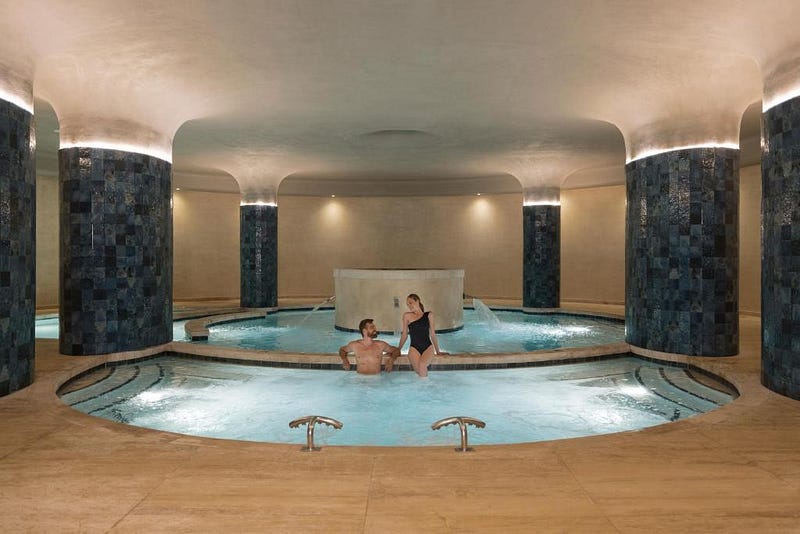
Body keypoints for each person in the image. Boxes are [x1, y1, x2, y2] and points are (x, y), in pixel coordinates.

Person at [397, 293, 447, 377]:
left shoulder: (429, 315)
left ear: (417, 301)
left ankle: (425, 384)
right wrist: (398, 349)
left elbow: (432, 334)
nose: (409, 306)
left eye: (410, 303)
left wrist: (437, 351)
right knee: (419, 372)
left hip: (427, 347)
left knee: (422, 365)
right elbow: (404, 335)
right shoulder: (407, 316)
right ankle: (424, 384)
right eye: (407, 304)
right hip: (414, 348)